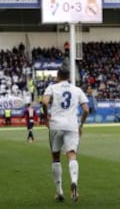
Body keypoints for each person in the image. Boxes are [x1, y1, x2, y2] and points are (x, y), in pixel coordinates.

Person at [42, 64, 89, 202]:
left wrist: (46, 117)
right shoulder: (77, 90)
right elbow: (86, 109)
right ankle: (74, 182)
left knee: (56, 157)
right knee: (72, 154)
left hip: (56, 124)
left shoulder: (52, 87)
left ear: (57, 76)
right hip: (72, 125)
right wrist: (81, 125)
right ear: (69, 77)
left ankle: (59, 192)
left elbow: (44, 102)